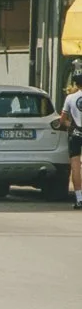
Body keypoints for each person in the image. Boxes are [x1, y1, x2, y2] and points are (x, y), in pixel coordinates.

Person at [62, 68, 82, 210]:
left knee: (75, 167)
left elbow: (63, 119)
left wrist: (71, 126)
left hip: (76, 133)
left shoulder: (70, 98)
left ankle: (79, 199)